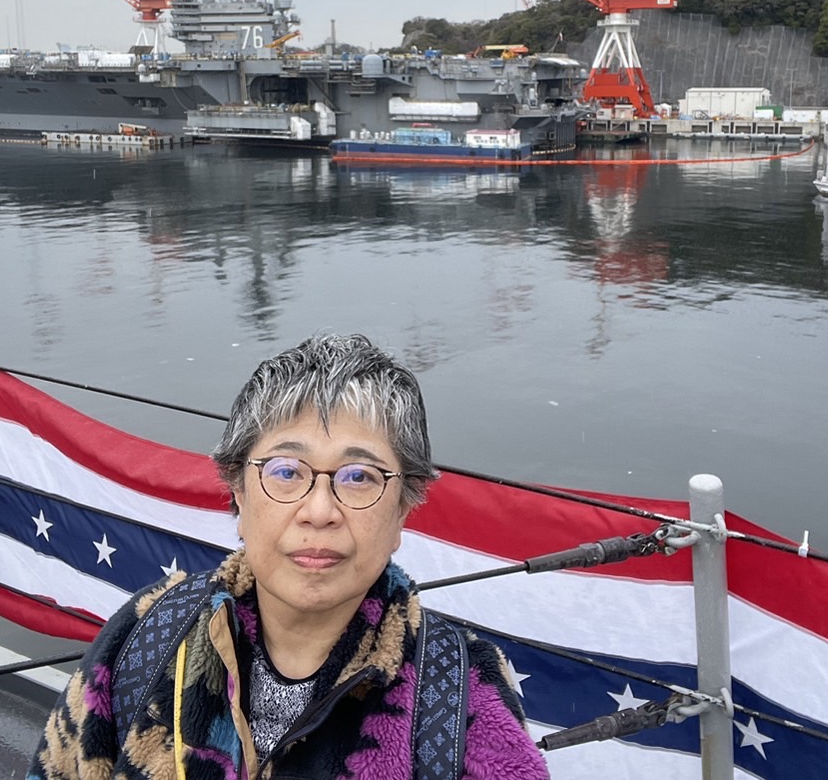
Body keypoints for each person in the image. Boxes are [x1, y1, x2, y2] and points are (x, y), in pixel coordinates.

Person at [28, 333, 549, 779]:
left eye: (359, 476)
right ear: (238, 492)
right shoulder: (151, 631)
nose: (319, 511)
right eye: (285, 472)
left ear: (402, 511)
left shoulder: (460, 696)